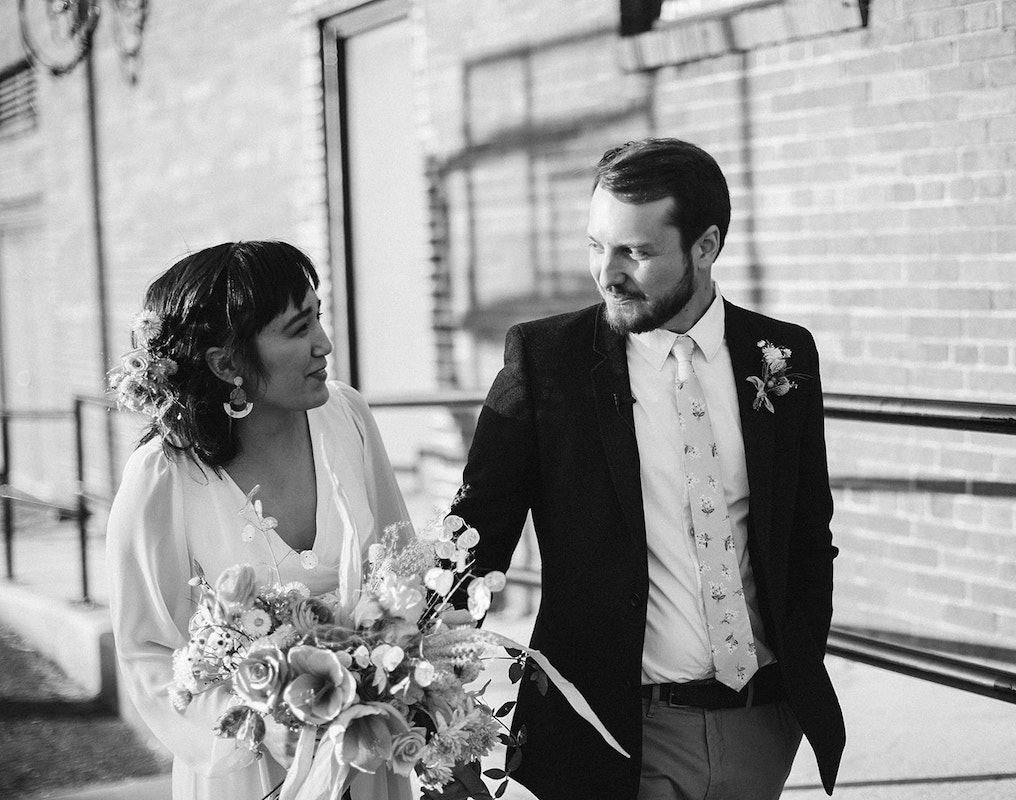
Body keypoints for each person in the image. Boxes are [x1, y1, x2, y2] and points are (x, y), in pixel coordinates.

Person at [450, 138, 845, 799]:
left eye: (635, 251)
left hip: (764, 726)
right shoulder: (547, 363)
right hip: (618, 732)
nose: (608, 273)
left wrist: (796, 669)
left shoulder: (780, 355)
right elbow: (474, 537)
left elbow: (810, 531)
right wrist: (429, 698)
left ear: (706, 246)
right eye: (596, 246)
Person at [106, 241, 413, 800]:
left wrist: (412, 679)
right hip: (250, 772)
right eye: (299, 330)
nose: (324, 344)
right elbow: (146, 653)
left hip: (369, 756)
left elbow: (402, 567)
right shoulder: (164, 475)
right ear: (227, 364)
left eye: (317, 317)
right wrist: (261, 726)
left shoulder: (347, 416)